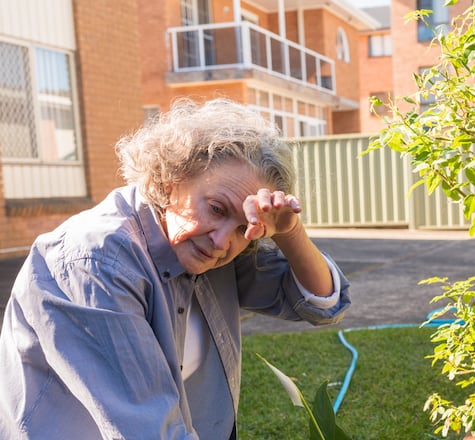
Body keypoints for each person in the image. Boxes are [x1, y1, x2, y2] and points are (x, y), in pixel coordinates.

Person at [0, 98, 351, 439]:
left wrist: (289, 232)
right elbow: (146, 429)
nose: (222, 242)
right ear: (171, 180)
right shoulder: (94, 263)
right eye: (216, 209)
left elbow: (322, 304)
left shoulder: (210, 245)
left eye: (244, 227)